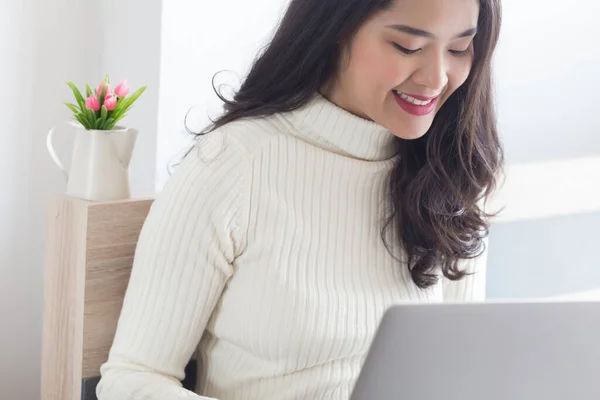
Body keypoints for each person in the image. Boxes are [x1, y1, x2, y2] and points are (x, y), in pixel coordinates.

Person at [97, 0, 503, 398]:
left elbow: (460, 374)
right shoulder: (235, 165)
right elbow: (132, 379)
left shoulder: (453, 176)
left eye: (458, 49)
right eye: (408, 47)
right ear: (335, 30)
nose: (436, 78)